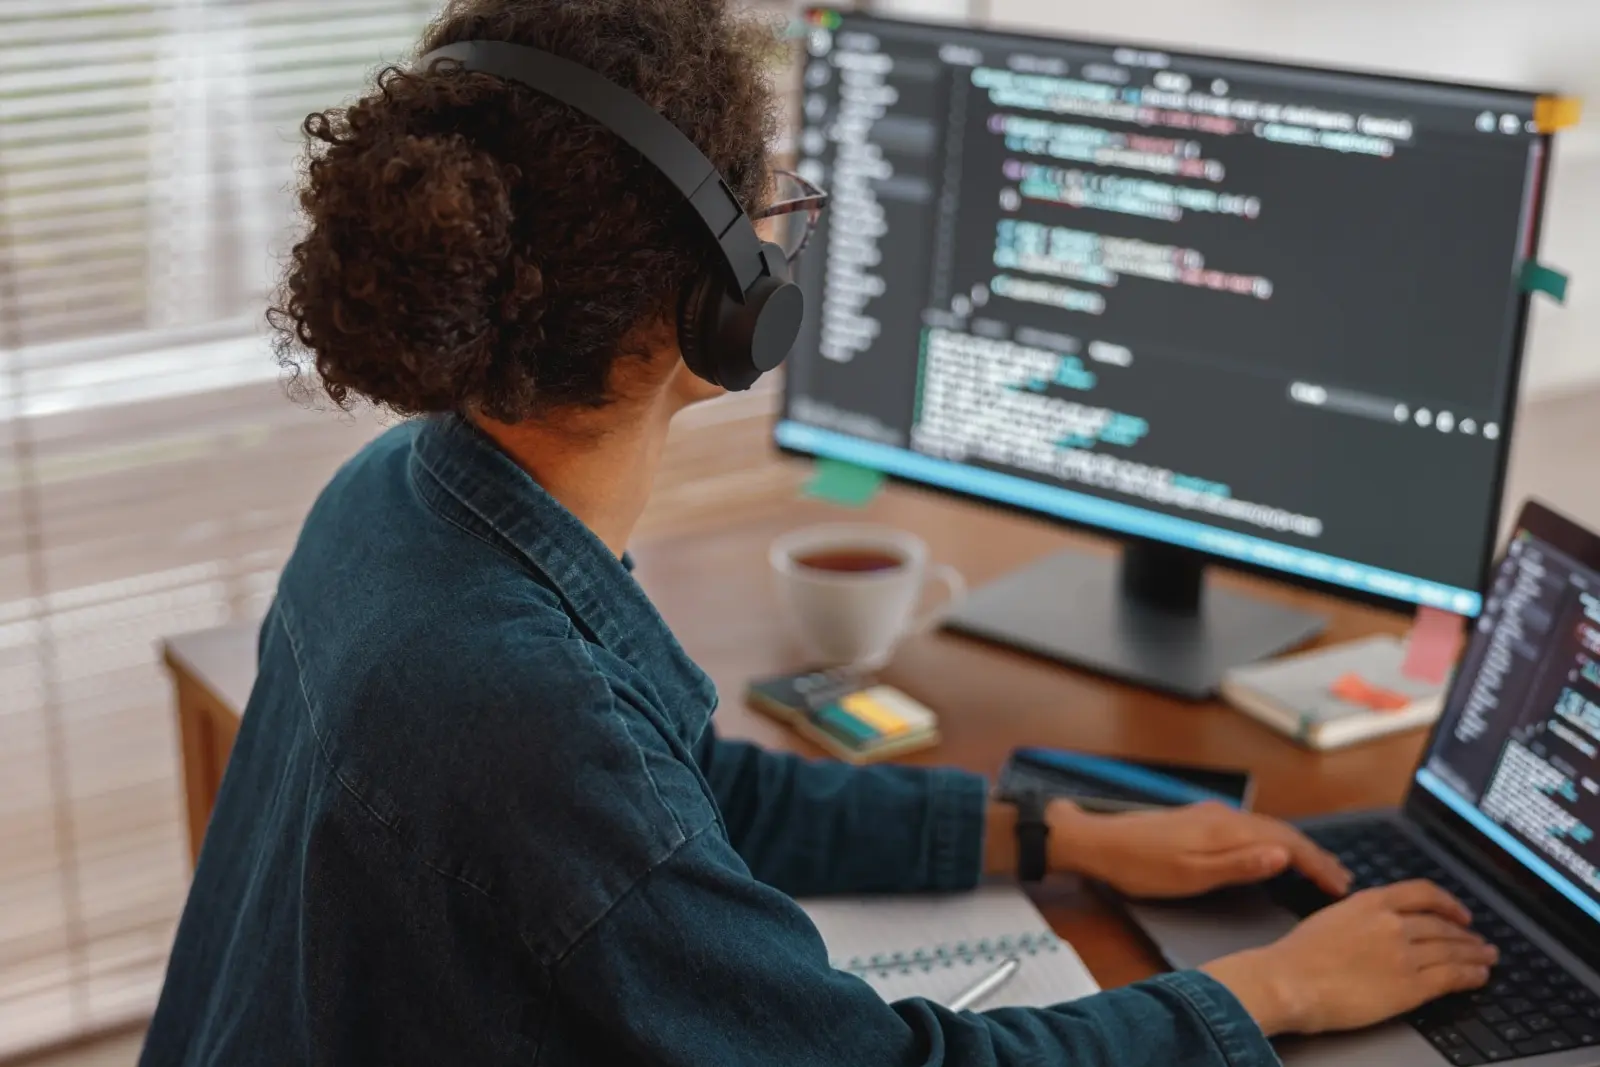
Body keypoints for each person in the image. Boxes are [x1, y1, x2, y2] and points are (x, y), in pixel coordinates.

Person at [140, 1, 1499, 1064]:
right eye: (768, 219)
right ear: (721, 310)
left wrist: (1056, 834)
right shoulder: (518, 703)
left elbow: (689, 800)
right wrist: (1272, 989)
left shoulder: (402, 499)